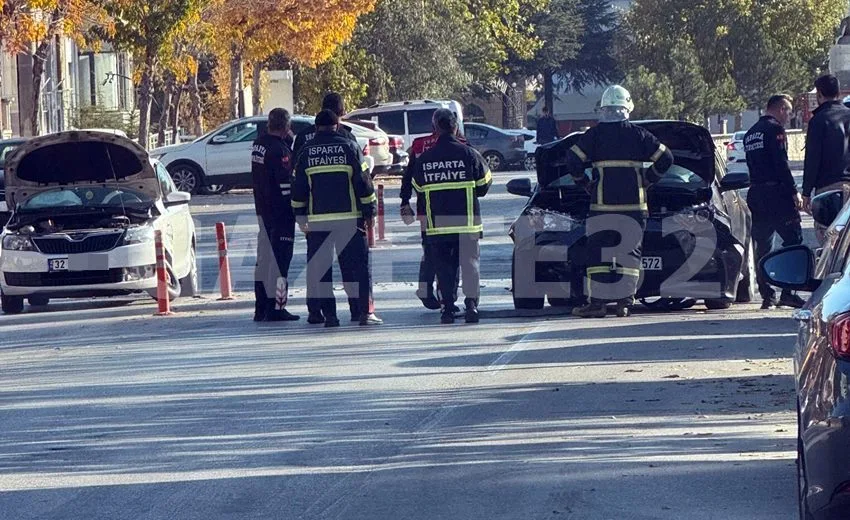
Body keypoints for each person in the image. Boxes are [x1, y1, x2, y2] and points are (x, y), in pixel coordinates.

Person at [565, 85, 673, 318]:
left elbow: (572, 158)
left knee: (598, 256)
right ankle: (625, 303)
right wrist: (648, 178)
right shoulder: (639, 135)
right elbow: (666, 157)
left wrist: (584, 183)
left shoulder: (594, 135)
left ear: (603, 109)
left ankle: (597, 304)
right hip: (634, 208)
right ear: (627, 108)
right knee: (629, 255)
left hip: (601, 208)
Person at [291, 109, 382, 327]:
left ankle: (330, 316)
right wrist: (370, 211)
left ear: (316, 128)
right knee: (358, 267)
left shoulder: (306, 152)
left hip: (318, 221)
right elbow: (364, 182)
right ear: (337, 126)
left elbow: (298, 188)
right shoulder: (349, 147)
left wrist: (300, 217)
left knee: (321, 270)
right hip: (350, 219)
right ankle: (364, 313)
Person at [412, 109, 492, 324]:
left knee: (444, 269)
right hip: (467, 224)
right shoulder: (470, 154)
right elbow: (484, 185)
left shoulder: (425, 159)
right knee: (470, 266)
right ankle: (471, 306)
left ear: (435, 128)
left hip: (438, 227)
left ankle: (447, 309)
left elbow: (418, 188)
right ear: (456, 127)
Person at [744, 94, 806, 310]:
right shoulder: (775, 130)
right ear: (780, 109)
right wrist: (794, 191)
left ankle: (767, 295)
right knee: (794, 241)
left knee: (763, 246)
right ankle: (789, 292)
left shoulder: (750, 134)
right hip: (777, 194)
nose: (789, 116)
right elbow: (781, 163)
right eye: (788, 111)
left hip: (757, 194)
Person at [399, 117, 467, 313]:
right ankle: (447, 298)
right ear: (455, 127)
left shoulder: (419, 145)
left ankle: (426, 288)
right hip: (456, 209)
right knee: (452, 255)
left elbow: (408, 176)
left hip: (426, 209)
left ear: (434, 126)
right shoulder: (462, 144)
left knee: (430, 251)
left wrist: (405, 200)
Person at [250, 108, 300, 322]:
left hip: (263, 211)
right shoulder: (280, 151)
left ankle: (260, 307)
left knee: (263, 261)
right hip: (280, 213)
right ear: (286, 126)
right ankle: (277, 308)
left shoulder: (259, 144)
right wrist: (295, 208)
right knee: (280, 262)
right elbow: (285, 183)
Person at [802, 74, 850, 243]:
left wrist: (806, 193)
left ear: (819, 94)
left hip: (828, 189)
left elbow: (813, 158)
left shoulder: (818, 120)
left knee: (829, 240)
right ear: (838, 92)